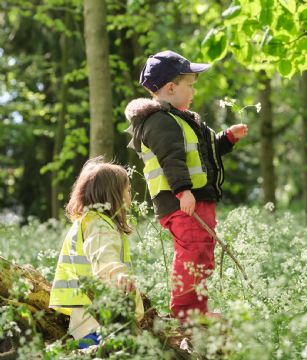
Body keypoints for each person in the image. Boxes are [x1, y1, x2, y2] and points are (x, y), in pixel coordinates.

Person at [124, 50, 248, 323]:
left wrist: (226, 139)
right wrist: (183, 191)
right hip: (181, 201)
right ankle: (185, 315)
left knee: (202, 255)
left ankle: (197, 311)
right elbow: (172, 158)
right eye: (189, 85)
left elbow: (203, 152)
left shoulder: (183, 119)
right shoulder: (158, 121)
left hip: (194, 199)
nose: (193, 91)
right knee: (192, 253)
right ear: (170, 88)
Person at [49, 157, 144, 348]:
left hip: (88, 315)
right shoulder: (99, 224)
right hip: (97, 317)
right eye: (127, 190)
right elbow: (103, 255)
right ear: (112, 194)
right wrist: (119, 275)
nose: (130, 195)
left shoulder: (92, 222)